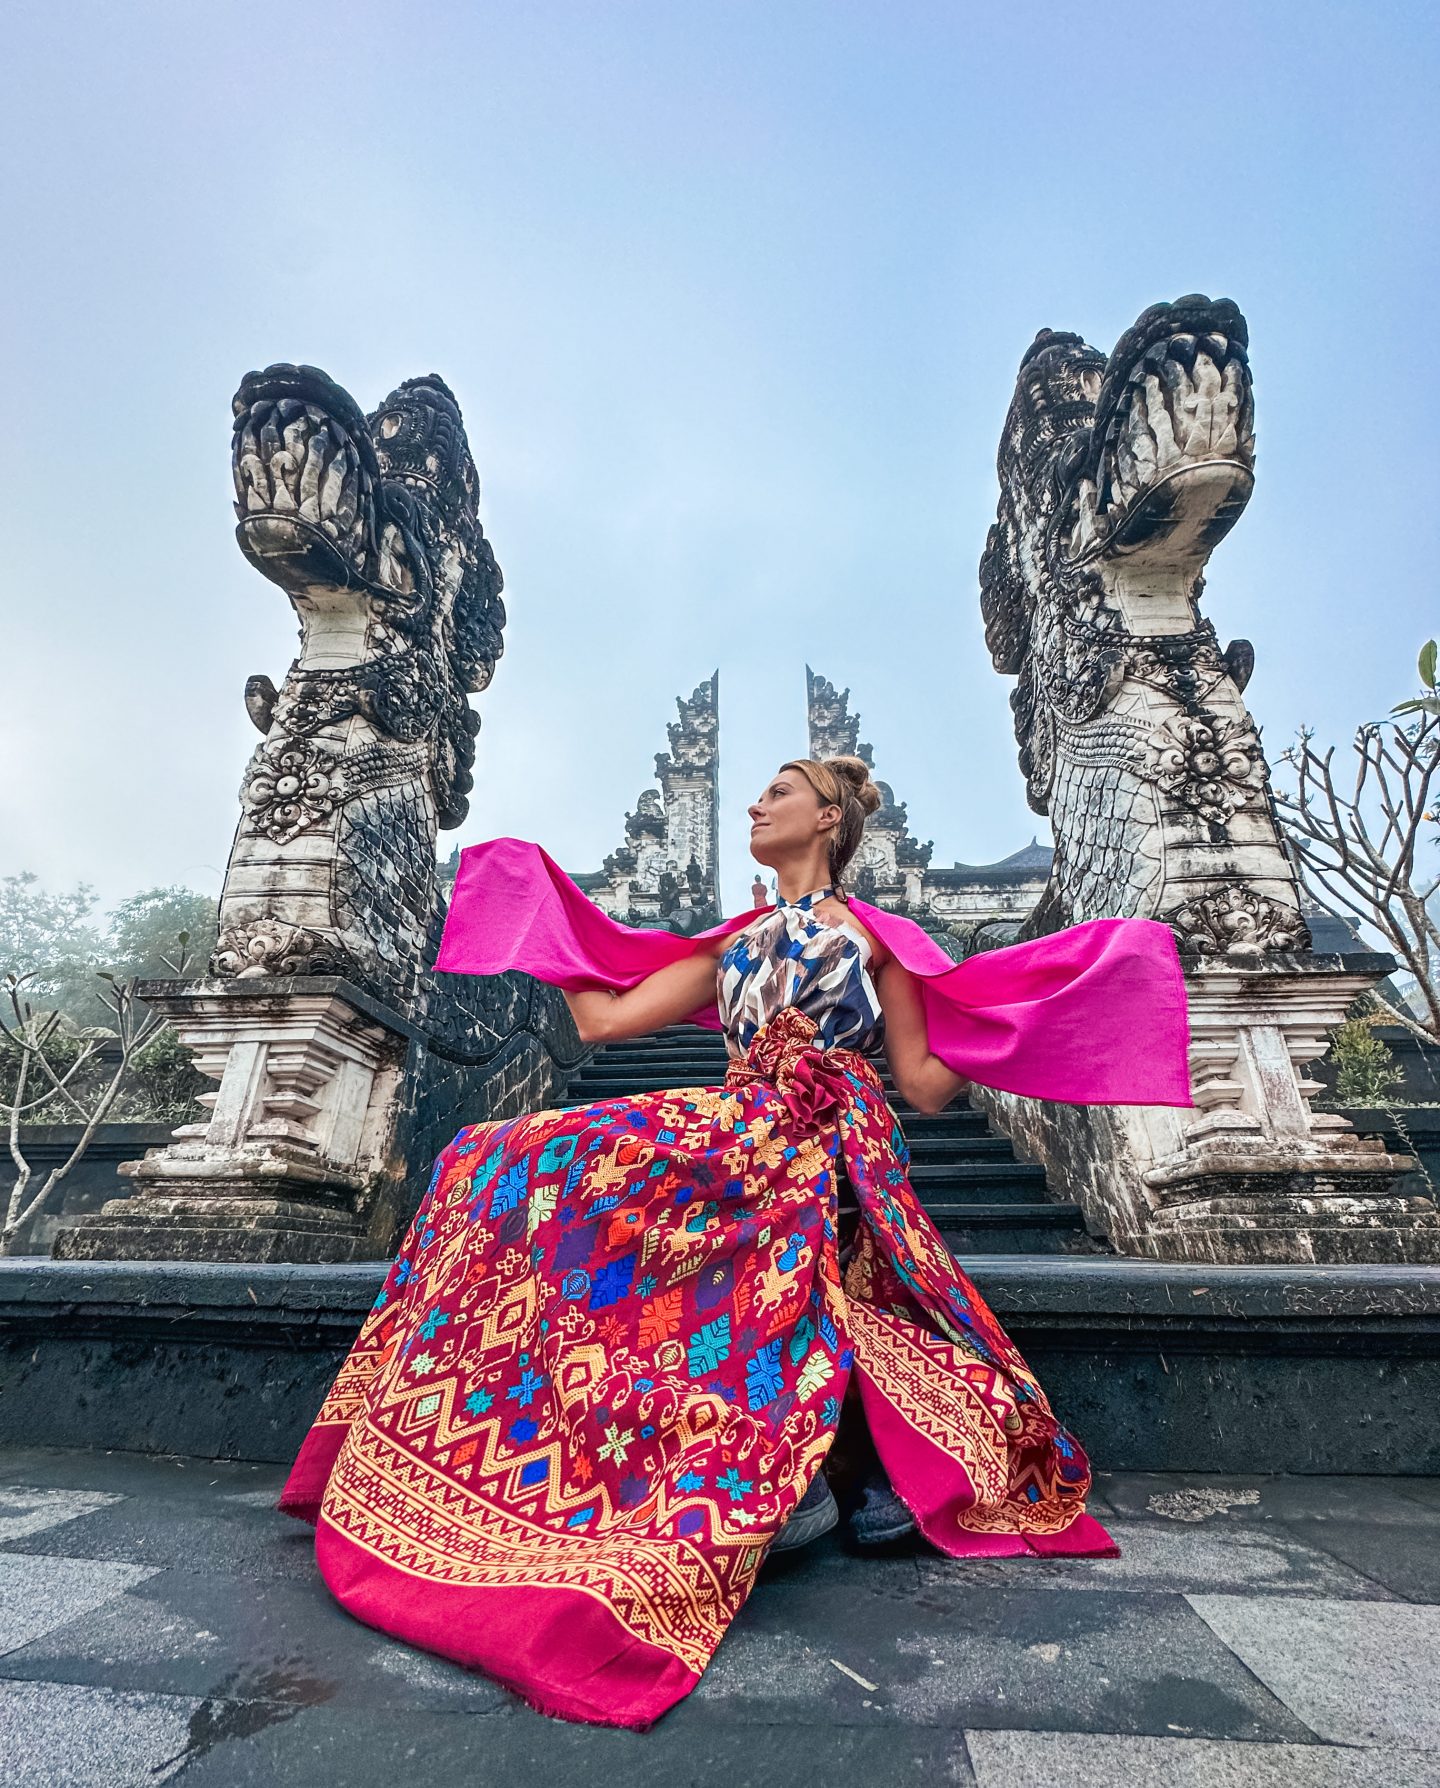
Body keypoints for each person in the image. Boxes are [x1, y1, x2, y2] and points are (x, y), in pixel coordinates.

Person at [280, 755, 1190, 1730]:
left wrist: (992, 1019)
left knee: (774, 1210)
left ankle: (805, 1471)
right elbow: (604, 1018)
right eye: (758, 792)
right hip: (732, 1127)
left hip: (830, 1132)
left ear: (829, 818)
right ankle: (592, 1440)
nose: (757, 802)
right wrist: (542, 911)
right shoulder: (735, 944)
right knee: (498, 1156)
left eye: (782, 790)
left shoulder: (883, 941)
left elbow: (922, 1087)